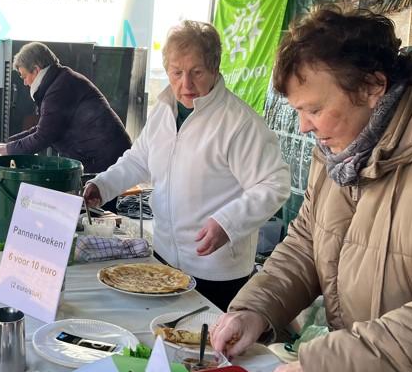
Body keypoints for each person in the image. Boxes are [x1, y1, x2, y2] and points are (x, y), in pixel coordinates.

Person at [211, 4, 412, 372]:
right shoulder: (340, 153)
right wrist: (256, 308)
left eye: (314, 109)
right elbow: (305, 243)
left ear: (373, 87)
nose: (305, 126)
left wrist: (333, 368)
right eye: (298, 110)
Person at [84, 20, 290, 310]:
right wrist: (102, 185)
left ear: (215, 68)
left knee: (203, 350)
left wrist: (228, 222)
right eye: (176, 72)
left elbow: (274, 184)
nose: (186, 84)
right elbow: (138, 160)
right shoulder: (163, 110)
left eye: (197, 72)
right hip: (164, 256)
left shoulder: (239, 123)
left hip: (216, 273)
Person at [0, 42, 131, 211]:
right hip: (101, 154)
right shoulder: (60, 81)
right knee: (88, 212)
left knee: (97, 214)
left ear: (36, 69)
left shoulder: (59, 88)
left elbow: (44, 135)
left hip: (103, 159)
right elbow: (44, 128)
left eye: (23, 76)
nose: (25, 83)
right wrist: (8, 145)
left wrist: (9, 150)